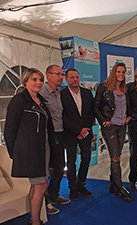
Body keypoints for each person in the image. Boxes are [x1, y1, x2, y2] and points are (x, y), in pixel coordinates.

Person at [4, 68, 54, 225]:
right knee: (41, 186)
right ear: (25, 81)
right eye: (34, 79)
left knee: (37, 186)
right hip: (30, 151)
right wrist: (15, 153)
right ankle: (35, 221)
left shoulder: (41, 101)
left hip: (44, 149)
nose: (38, 82)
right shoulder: (19, 101)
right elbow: (10, 129)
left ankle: (34, 220)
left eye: (40, 79)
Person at [94, 62, 132, 202]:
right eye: (118, 72)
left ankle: (113, 185)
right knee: (115, 157)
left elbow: (128, 106)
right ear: (113, 72)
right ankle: (120, 188)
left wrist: (129, 116)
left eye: (123, 72)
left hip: (122, 126)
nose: (121, 75)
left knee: (117, 156)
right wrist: (104, 120)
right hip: (110, 126)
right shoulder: (103, 87)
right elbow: (96, 106)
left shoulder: (125, 88)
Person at [39, 65, 70, 215]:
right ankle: (44, 203)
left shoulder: (58, 93)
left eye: (62, 74)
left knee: (59, 167)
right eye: (57, 74)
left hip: (59, 134)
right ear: (48, 75)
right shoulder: (41, 93)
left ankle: (53, 195)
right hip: (46, 137)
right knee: (46, 171)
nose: (61, 77)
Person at [61, 69, 95, 200]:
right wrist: (77, 130)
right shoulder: (62, 95)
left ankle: (81, 184)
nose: (75, 79)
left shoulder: (87, 93)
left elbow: (92, 112)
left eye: (77, 77)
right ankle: (72, 188)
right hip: (70, 134)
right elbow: (63, 116)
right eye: (72, 77)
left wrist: (85, 129)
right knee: (71, 162)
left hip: (86, 133)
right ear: (66, 79)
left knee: (86, 159)